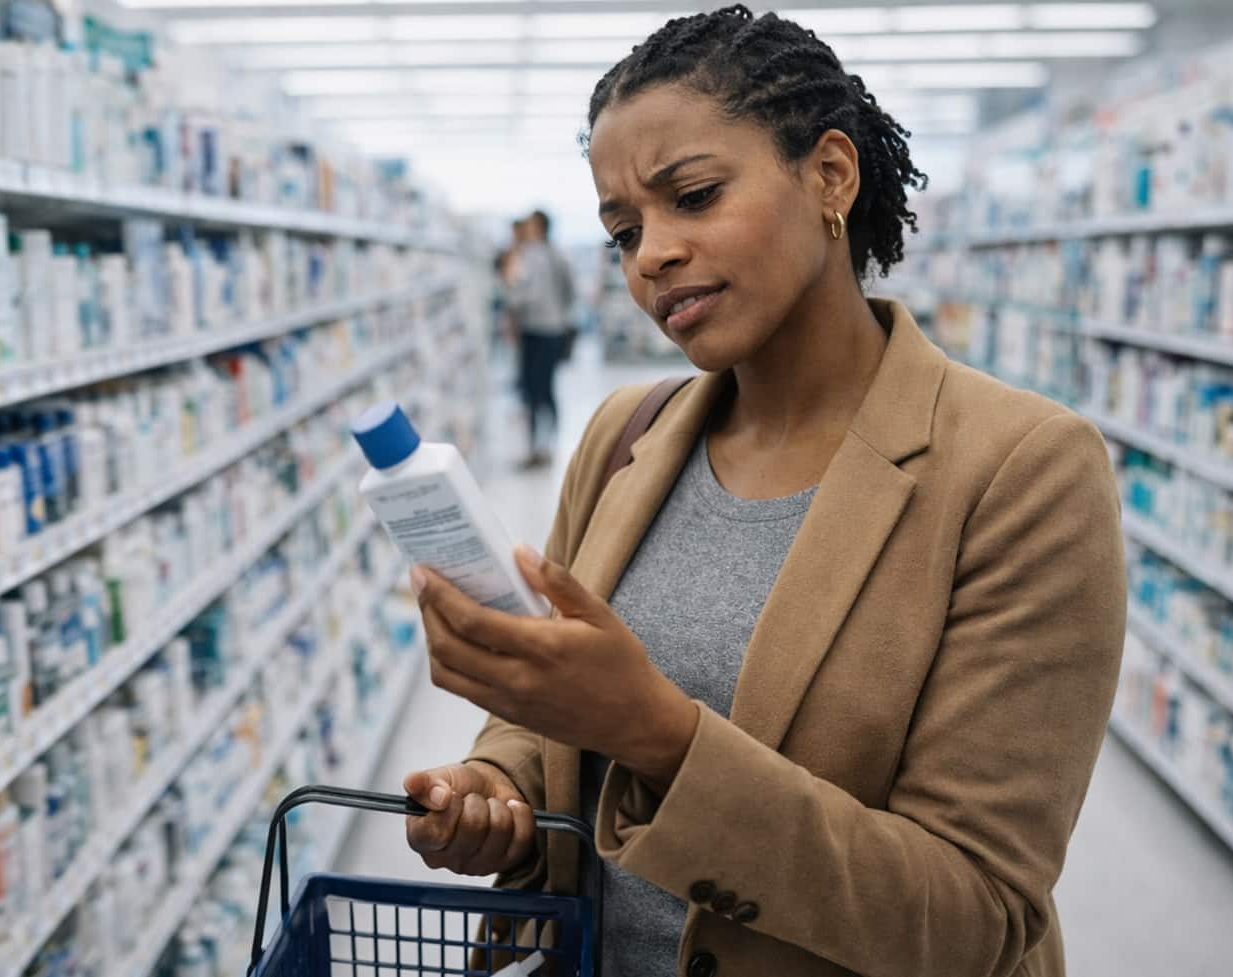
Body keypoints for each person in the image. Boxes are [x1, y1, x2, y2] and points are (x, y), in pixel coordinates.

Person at [399, 7, 1126, 977]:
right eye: (622, 230)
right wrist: (497, 783)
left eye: (692, 195)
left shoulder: (1020, 470)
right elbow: (551, 722)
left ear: (829, 174)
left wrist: (655, 731)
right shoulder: (626, 435)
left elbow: (971, 918)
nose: (649, 254)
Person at [507, 209, 577, 469]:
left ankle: (537, 448)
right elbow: (570, 290)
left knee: (533, 390)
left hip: (534, 329)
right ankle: (549, 445)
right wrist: (560, 314)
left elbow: (526, 295)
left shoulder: (531, 255)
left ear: (538, 227)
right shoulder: (558, 255)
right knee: (547, 388)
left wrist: (511, 295)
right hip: (554, 329)